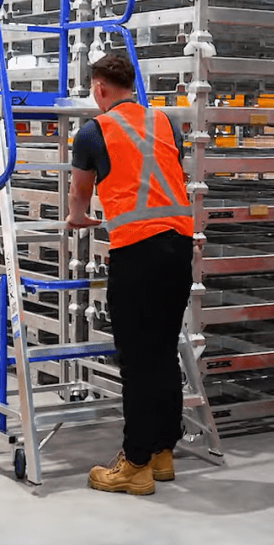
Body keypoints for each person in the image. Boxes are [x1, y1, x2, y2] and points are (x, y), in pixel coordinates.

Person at [67, 53, 193, 496]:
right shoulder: (163, 123)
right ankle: (161, 452)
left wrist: (77, 217)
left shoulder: (93, 130)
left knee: (138, 360)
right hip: (178, 249)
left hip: (137, 252)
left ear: (100, 89)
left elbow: (80, 194)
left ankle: (134, 464)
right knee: (162, 352)